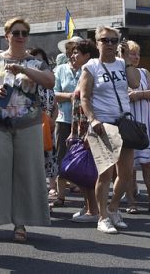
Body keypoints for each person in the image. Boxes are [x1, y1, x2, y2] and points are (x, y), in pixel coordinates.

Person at [0, 17, 53, 242]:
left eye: (24, 33)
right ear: (6, 35)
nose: (20, 37)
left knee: (26, 174)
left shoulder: (35, 62)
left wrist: (24, 69)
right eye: (15, 33)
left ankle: (20, 225)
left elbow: (49, 81)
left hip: (29, 124)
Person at [78, 26, 140, 235]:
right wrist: (92, 119)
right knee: (105, 174)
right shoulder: (91, 66)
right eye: (106, 40)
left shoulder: (124, 64)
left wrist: (128, 59)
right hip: (103, 125)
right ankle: (102, 217)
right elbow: (84, 97)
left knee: (125, 173)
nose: (110, 44)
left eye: (114, 40)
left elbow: (135, 82)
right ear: (97, 43)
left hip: (124, 123)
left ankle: (113, 208)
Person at [121, 40, 150, 214]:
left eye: (137, 54)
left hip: (146, 127)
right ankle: (131, 202)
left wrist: (139, 94)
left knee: (148, 164)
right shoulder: (117, 72)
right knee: (128, 167)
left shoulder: (145, 73)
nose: (136, 57)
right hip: (128, 126)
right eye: (132, 53)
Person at [68, 40, 100, 223]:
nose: (73, 56)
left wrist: (88, 131)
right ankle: (88, 206)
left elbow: (89, 104)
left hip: (88, 128)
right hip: (79, 128)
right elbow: (76, 107)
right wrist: (73, 132)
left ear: (87, 55)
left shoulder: (91, 72)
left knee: (89, 171)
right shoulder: (82, 72)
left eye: (76, 53)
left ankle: (94, 210)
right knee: (82, 170)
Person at [51, 38, 82, 207]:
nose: (73, 55)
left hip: (84, 120)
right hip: (64, 119)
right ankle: (60, 196)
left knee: (83, 157)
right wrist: (70, 96)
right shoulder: (61, 69)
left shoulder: (87, 69)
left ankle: (87, 197)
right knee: (62, 156)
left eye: (76, 52)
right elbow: (54, 93)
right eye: (70, 51)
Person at [29, 47, 58, 201]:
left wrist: (53, 118)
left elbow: (55, 104)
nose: (39, 64)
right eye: (36, 60)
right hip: (34, 125)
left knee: (49, 156)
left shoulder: (49, 81)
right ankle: (39, 194)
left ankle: (51, 188)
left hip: (48, 125)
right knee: (35, 160)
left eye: (42, 60)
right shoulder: (29, 82)